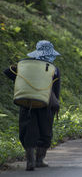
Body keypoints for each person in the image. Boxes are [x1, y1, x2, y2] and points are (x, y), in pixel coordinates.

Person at [3, 40, 61, 171]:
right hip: (45, 104)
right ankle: (40, 160)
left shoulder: (25, 66)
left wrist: (21, 76)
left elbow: (7, 71)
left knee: (28, 130)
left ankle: (30, 160)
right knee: (45, 131)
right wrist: (55, 104)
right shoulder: (53, 70)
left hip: (26, 102)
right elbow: (56, 91)